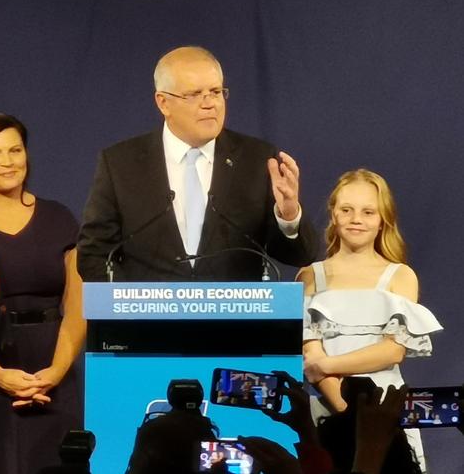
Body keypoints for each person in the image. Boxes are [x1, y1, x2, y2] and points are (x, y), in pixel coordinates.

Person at [77, 45, 317, 282]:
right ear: (163, 103)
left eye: (215, 91)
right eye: (194, 94)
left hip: (233, 318)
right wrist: (134, 305)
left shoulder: (257, 159)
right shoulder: (121, 163)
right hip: (147, 318)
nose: (209, 103)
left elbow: (300, 255)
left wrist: (289, 216)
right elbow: (93, 255)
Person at [0, 113, 86, 474]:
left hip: (53, 365)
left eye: (15, 150)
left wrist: (56, 372)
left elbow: (77, 305)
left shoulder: (60, 217)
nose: (8, 162)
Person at [298, 169, 443, 471]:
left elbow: (393, 350)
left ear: (382, 219)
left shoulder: (400, 276)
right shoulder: (311, 276)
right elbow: (311, 351)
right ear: (333, 214)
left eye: (368, 212)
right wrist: (343, 408)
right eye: (346, 210)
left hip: (386, 415)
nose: (356, 219)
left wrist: (326, 367)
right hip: (328, 412)